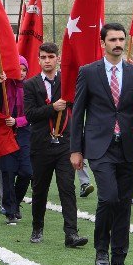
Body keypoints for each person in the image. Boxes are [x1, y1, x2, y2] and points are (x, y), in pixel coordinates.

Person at [70, 23, 133, 265]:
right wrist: (75, 149)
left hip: (129, 147)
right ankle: (101, 250)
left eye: (121, 39)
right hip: (100, 147)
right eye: (112, 39)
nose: (118, 43)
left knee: (123, 205)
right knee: (109, 198)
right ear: (103, 43)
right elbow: (78, 113)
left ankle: (119, 260)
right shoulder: (88, 72)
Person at [24, 42, 88, 248]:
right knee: (40, 189)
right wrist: (52, 107)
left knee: (67, 188)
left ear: (58, 58)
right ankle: (37, 227)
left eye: (51, 57)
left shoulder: (68, 82)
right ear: (38, 60)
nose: (47, 61)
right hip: (41, 145)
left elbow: (78, 108)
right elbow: (30, 114)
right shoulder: (31, 84)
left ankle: (71, 233)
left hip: (64, 146)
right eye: (43, 57)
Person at [0, 56, 33, 225]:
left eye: (24, 70)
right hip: (4, 133)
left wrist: (18, 121)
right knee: (8, 172)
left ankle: (15, 203)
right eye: (19, 69)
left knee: (27, 172)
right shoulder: (2, 85)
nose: (22, 73)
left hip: (24, 133)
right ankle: (10, 211)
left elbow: (35, 113)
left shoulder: (31, 87)